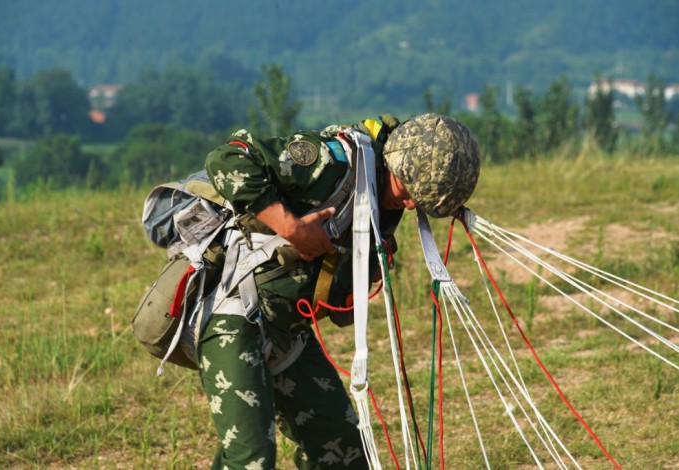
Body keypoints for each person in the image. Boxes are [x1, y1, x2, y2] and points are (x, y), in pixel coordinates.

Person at [195, 113, 480, 469]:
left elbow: (337, 306)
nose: (410, 205)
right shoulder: (331, 163)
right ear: (396, 164)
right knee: (250, 459)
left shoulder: (383, 200)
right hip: (234, 313)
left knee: (343, 451)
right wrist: (292, 228)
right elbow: (228, 159)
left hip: (289, 331)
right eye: (411, 192)